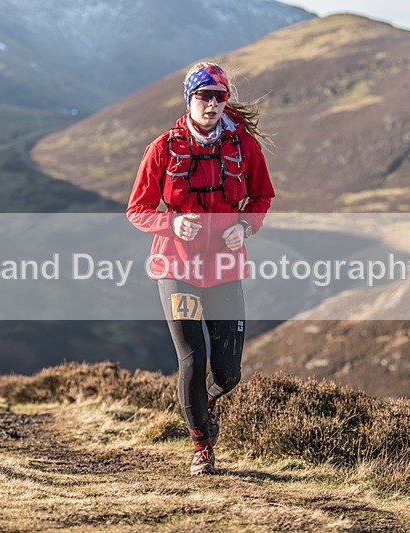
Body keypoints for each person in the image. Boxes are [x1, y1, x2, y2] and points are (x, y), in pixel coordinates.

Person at [127, 62, 275, 476]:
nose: (211, 104)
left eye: (219, 96)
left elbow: (262, 196)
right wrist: (171, 222)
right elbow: (137, 209)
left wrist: (246, 225)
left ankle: (208, 399)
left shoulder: (243, 147)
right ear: (188, 99)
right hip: (176, 268)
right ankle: (201, 447)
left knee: (227, 372)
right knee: (193, 359)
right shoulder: (162, 147)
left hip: (226, 268)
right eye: (203, 96)